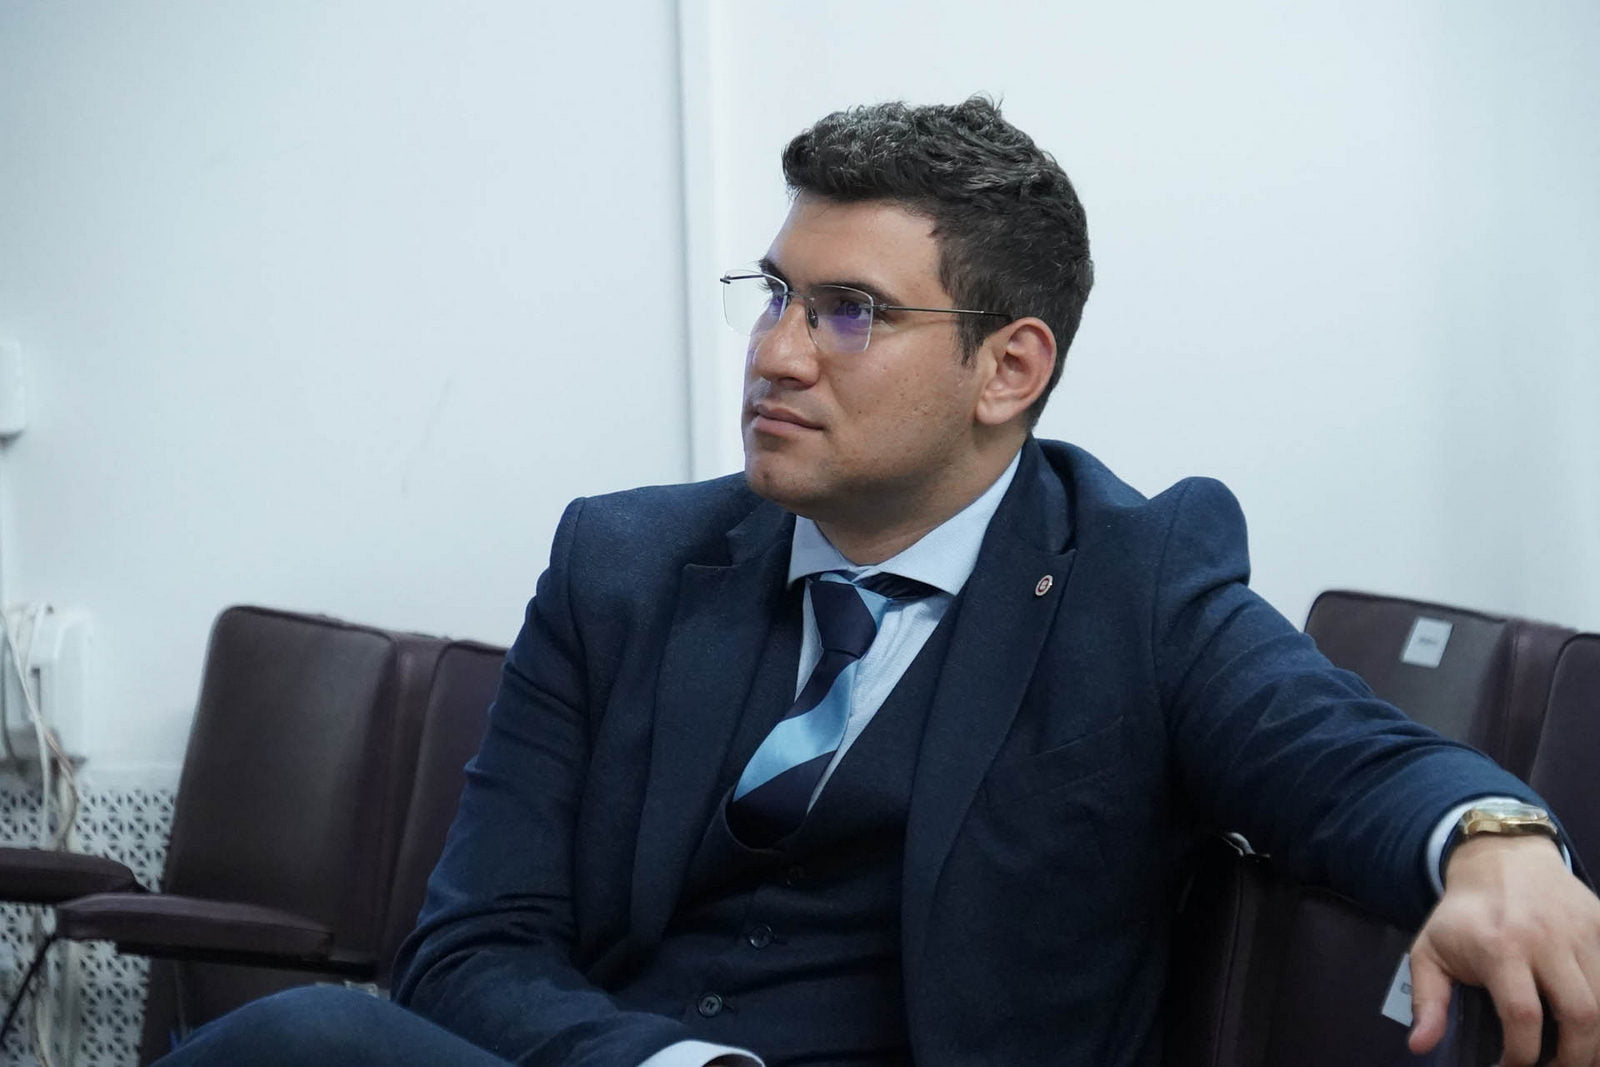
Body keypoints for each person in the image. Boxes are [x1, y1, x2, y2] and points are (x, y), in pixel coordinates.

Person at [156, 97, 1600, 1067]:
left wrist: (1498, 846)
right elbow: (473, 944)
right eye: (776, 295)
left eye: (849, 313)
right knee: (304, 1043)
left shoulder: (1133, 577)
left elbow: (1342, 758)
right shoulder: (622, 563)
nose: (777, 353)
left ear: (1007, 368)